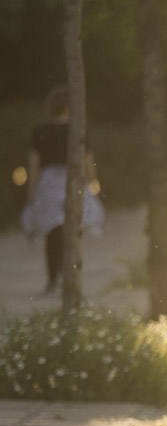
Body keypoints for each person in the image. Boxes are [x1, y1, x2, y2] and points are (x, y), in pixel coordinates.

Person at [20, 85, 104, 293]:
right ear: (69, 106)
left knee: (52, 233)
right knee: (74, 230)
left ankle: (52, 279)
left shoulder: (40, 131)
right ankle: (73, 277)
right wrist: (93, 184)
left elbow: (34, 164)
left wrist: (32, 193)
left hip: (48, 183)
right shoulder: (78, 130)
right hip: (73, 178)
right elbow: (87, 161)